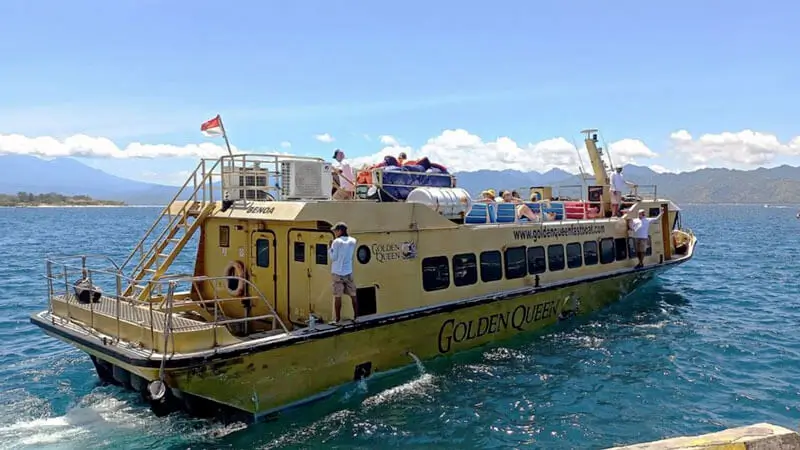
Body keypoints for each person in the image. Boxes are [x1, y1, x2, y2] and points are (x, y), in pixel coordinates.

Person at [329, 222, 359, 322]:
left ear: (340, 231)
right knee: (353, 294)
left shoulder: (336, 242)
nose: (335, 232)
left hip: (338, 272)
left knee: (338, 296)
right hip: (348, 271)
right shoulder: (353, 241)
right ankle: (356, 316)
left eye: (336, 231)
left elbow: (333, 257)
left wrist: (330, 248)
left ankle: (337, 319)